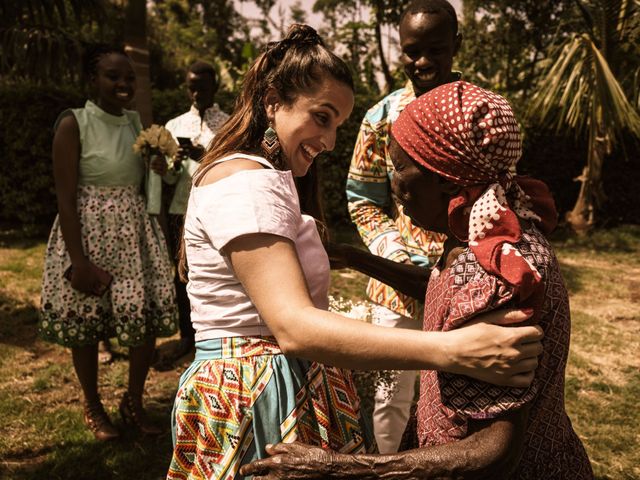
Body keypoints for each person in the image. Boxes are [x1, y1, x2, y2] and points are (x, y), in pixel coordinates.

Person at [166, 25, 544, 480]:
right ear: (272, 101)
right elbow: (294, 326)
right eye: (321, 117)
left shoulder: (262, 175)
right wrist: (452, 350)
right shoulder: (249, 182)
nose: (329, 142)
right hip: (255, 395)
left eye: (338, 125)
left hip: (280, 383)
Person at [240, 81, 594, 479]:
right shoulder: (488, 238)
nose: (394, 186)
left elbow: (494, 451)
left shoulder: (497, 275)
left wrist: (338, 468)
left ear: (445, 177)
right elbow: (443, 289)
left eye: (400, 168)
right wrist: (353, 257)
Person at [39, 44, 178, 441]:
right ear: (91, 80)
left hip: (134, 235)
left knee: (144, 318)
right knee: (86, 325)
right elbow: (65, 198)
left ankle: (133, 402)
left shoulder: (138, 124)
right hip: (87, 234)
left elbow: (151, 184)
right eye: (113, 76)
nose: (123, 84)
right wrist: (78, 261)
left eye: (129, 77)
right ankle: (93, 405)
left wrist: (158, 168)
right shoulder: (73, 122)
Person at [345, 0, 462, 453]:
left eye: (436, 49)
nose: (424, 62)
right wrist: (392, 252)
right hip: (396, 283)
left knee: (460, 390)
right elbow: (362, 197)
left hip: (467, 279)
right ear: (400, 50)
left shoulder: (478, 111)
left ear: (457, 44)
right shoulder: (380, 117)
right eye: (413, 51)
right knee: (392, 395)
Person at [157, 61, 230, 362]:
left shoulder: (229, 124)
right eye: (191, 86)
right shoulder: (174, 127)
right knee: (181, 274)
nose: (196, 92)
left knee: (217, 270)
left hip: (218, 208)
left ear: (215, 86)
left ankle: (216, 332)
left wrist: (205, 155)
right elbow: (171, 178)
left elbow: (233, 167)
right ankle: (187, 335)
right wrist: (166, 166)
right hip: (180, 209)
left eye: (202, 85)